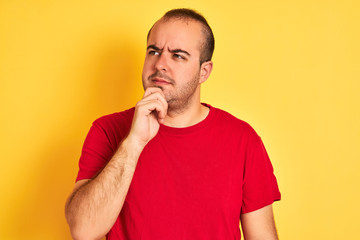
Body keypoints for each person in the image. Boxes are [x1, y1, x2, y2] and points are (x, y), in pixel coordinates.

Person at [65, 8, 281, 240]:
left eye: (178, 55)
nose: (160, 64)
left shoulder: (242, 139)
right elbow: (83, 231)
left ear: (204, 72)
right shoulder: (108, 130)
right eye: (154, 51)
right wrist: (134, 143)